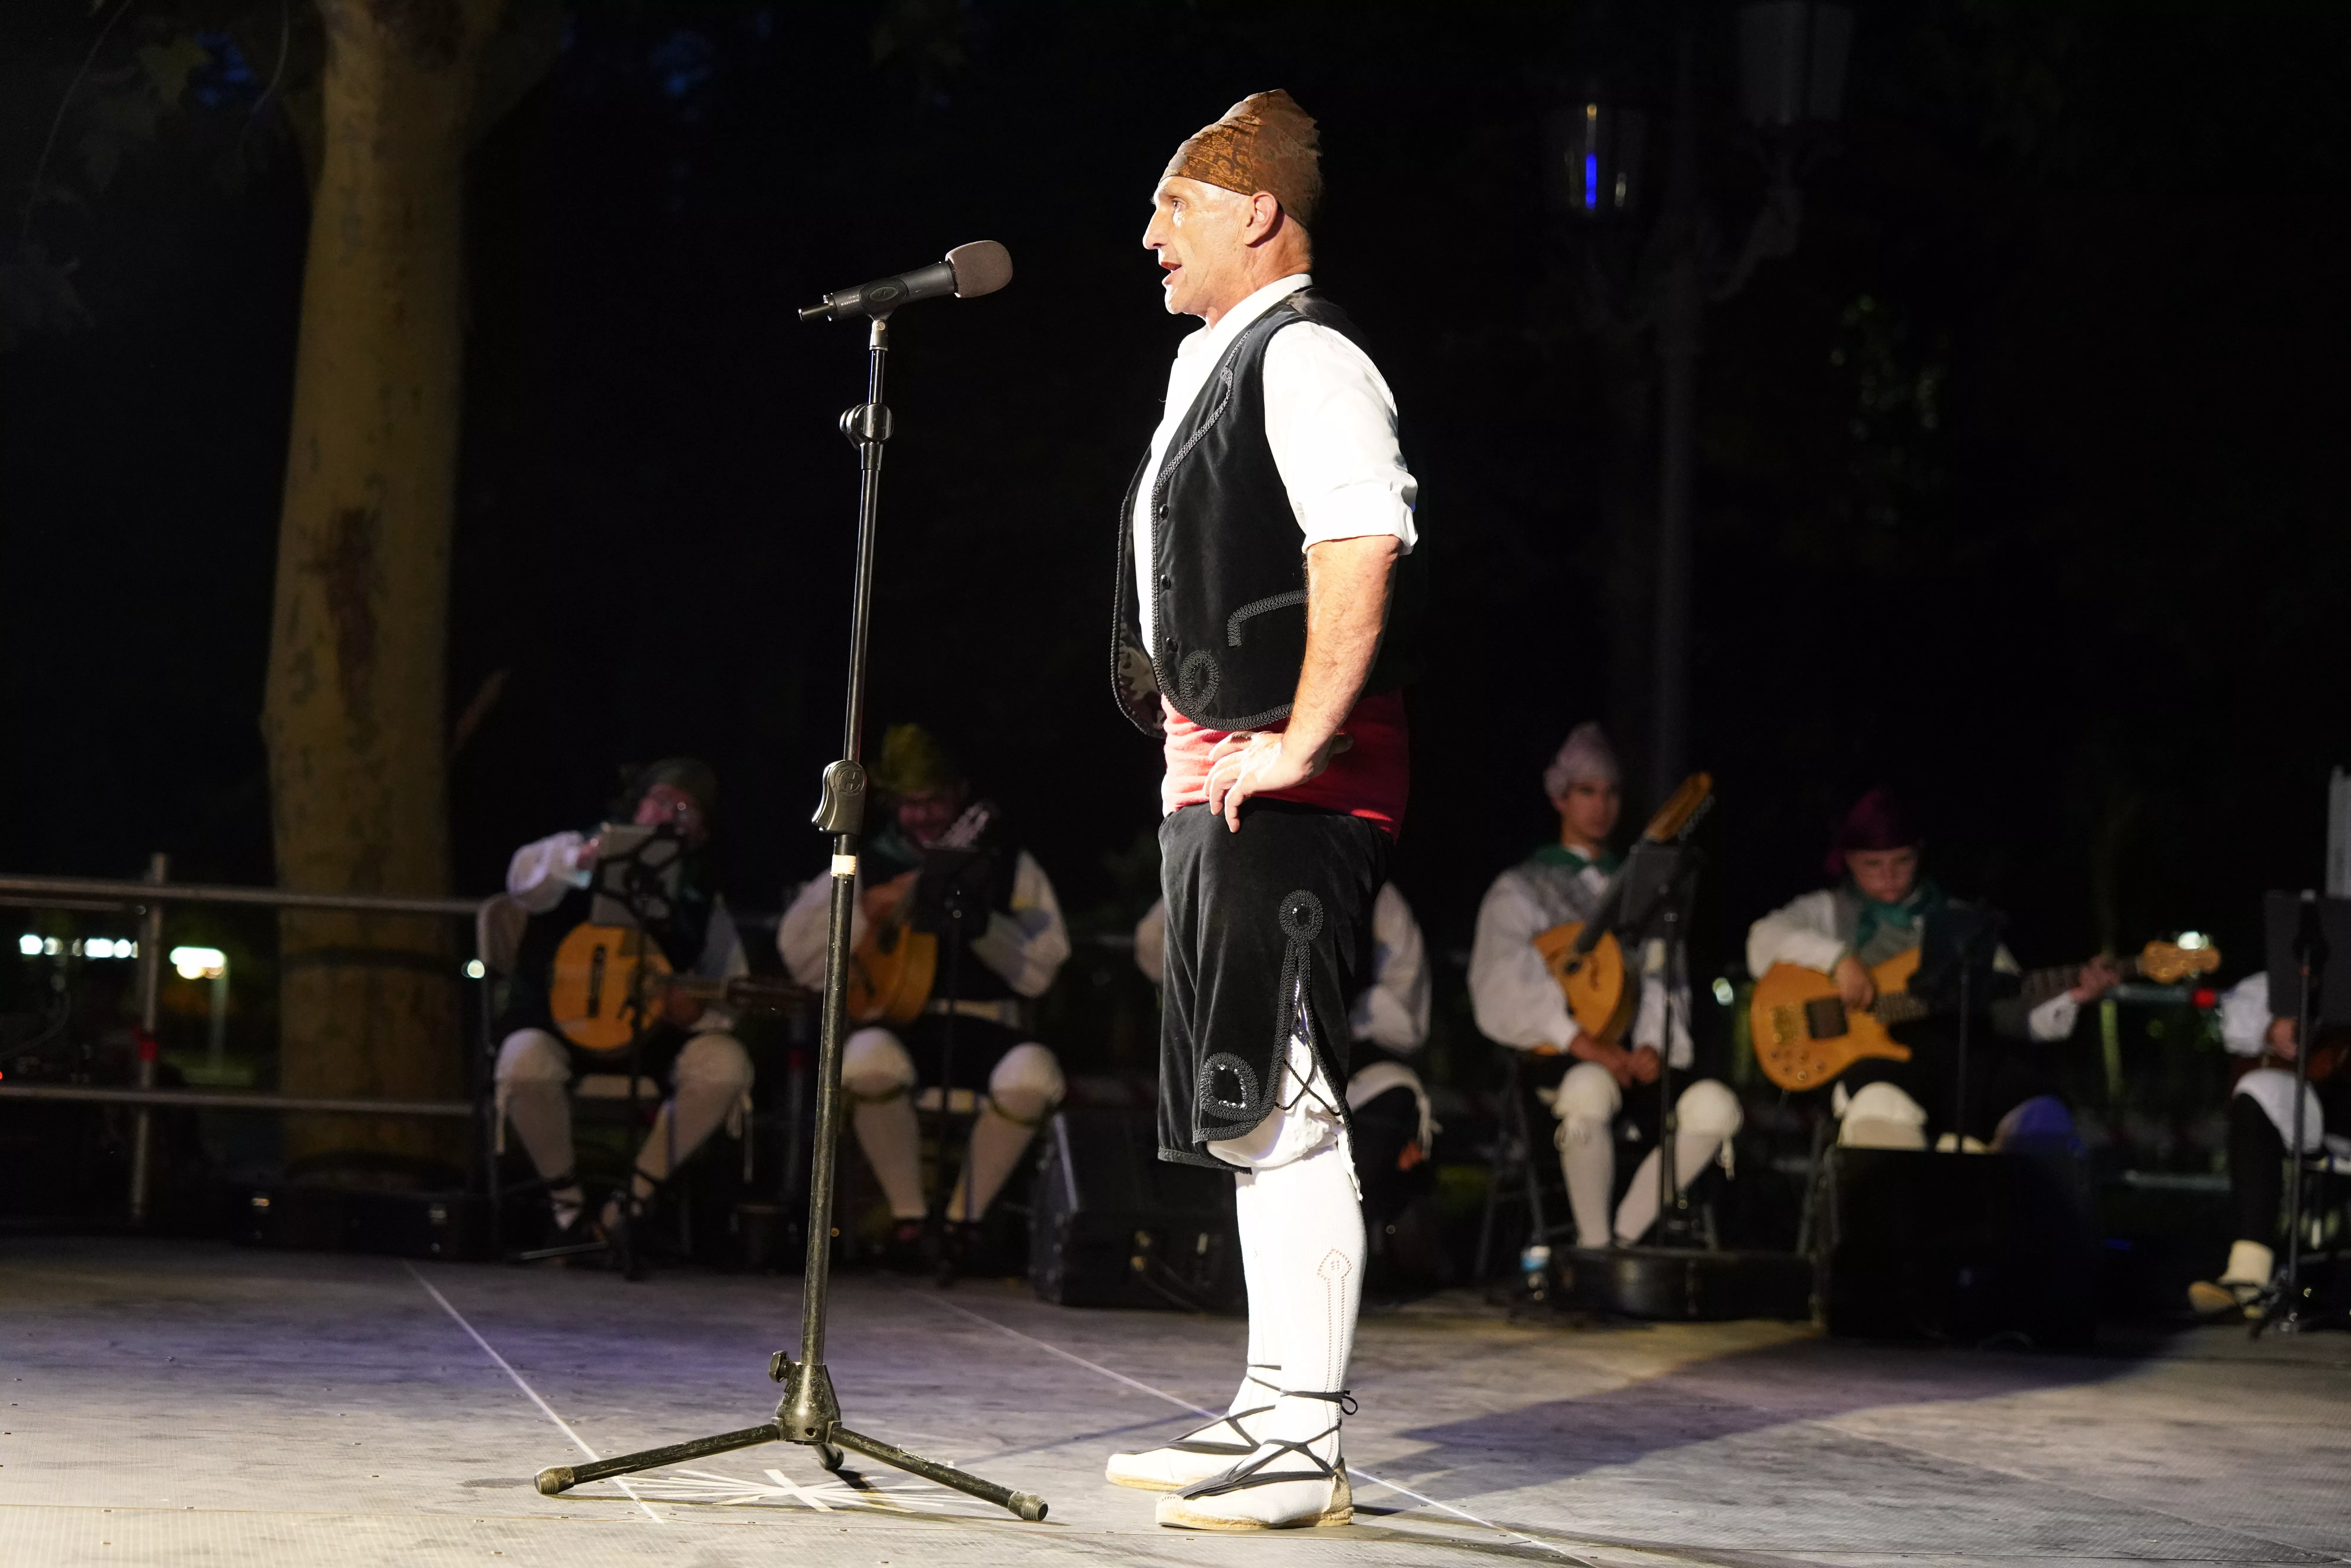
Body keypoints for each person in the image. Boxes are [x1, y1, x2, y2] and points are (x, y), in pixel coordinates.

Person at [1100, 89, 1417, 1531]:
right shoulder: (1209, 364)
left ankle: (1308, 1437)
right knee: (1242, 1104)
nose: (1151, 230)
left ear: (1257, 212)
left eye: (1178, 202)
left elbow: (1361, 534)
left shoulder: (1309, 354)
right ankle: (1268, 1396)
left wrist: (1300, 741)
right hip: (1212, 774)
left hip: (1292, 784)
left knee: (1286, 1099)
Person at [777, 723, 1070, 1269]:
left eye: (935, 801)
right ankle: (910, 1220)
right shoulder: (867, 862)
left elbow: (1043, 969)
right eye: (912, 804)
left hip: (984, 1026)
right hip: (901, 1026)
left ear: (958, 797)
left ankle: (964, 1222)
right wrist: (867, 910)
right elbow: (798, 954)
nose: (925, 816)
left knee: (1035, 1074)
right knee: (864, 1062)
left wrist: (975, 920)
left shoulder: (1009, 865)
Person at [1468, 723, 1743, 1250]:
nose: (1601, 805)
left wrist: (1651, 1047)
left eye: (1611, 792)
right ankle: (1592, 1249)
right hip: (1563, 1056)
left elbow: (1665, 974)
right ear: (1560, 797)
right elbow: (1503, 977)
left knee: (1716, 1106)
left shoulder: (1644, 886)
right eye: (1587, 791)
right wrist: (1584, 1043)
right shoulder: (1523, 887)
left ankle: (1620, 1239)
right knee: (1588, 1087)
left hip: (1631, 1060)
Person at [1745, 788, 2119, 1150]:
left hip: (1962, 1066)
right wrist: (1837, 959)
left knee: (2042, 1116)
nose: (1888, 876)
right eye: (1873, 865)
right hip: (1879, 1067)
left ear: (1919, 855)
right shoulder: (1826, 911)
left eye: (1902, 861)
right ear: (1848, 861)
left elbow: (2012, 1010)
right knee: (1883, 1115)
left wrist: (2073, 995)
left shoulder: (1963, 923)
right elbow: (1761, 941)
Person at [493, 758, 754, 1249]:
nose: (669, 814)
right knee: (523, 1065)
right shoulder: (576, 848)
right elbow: (521, 882)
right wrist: (583, 860)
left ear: (701, 831)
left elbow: (729, 984)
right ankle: (567, 1208)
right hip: (556, 1022)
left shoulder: (700, 898)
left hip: (645, 1036)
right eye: (660, 800)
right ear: (639, 803)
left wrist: (696, 1010)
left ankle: (629, 1205)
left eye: (686, 808)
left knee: (725, 1067)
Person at [1137, 880, 1436, 1255]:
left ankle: (1325, 1244)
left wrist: (1340, 1026)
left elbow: (1402, 1000)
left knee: (1392, 1094)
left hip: (1340, 1057)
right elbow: (1154, 943)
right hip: (1240, 1053)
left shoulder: (1367, 881)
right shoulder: (1226, 861)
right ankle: (1221, 1248)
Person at [2187, 971, 2350, 1317]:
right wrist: (2270, 1031)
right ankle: (2248, 1276)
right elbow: (2236, 1015)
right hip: (2332, 1114)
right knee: (2255, 1090)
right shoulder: (2308, 964)